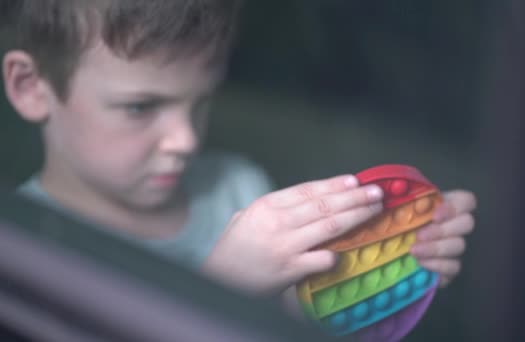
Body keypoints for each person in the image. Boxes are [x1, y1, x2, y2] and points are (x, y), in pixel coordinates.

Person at [1, 0, 476, 324]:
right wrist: (218, 285)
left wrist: (391, 262)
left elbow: (289, 319)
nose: (185, 139)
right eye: (140, 107)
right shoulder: (24, 248)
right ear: (30, 88)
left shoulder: (237, 187)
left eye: (201, 103)